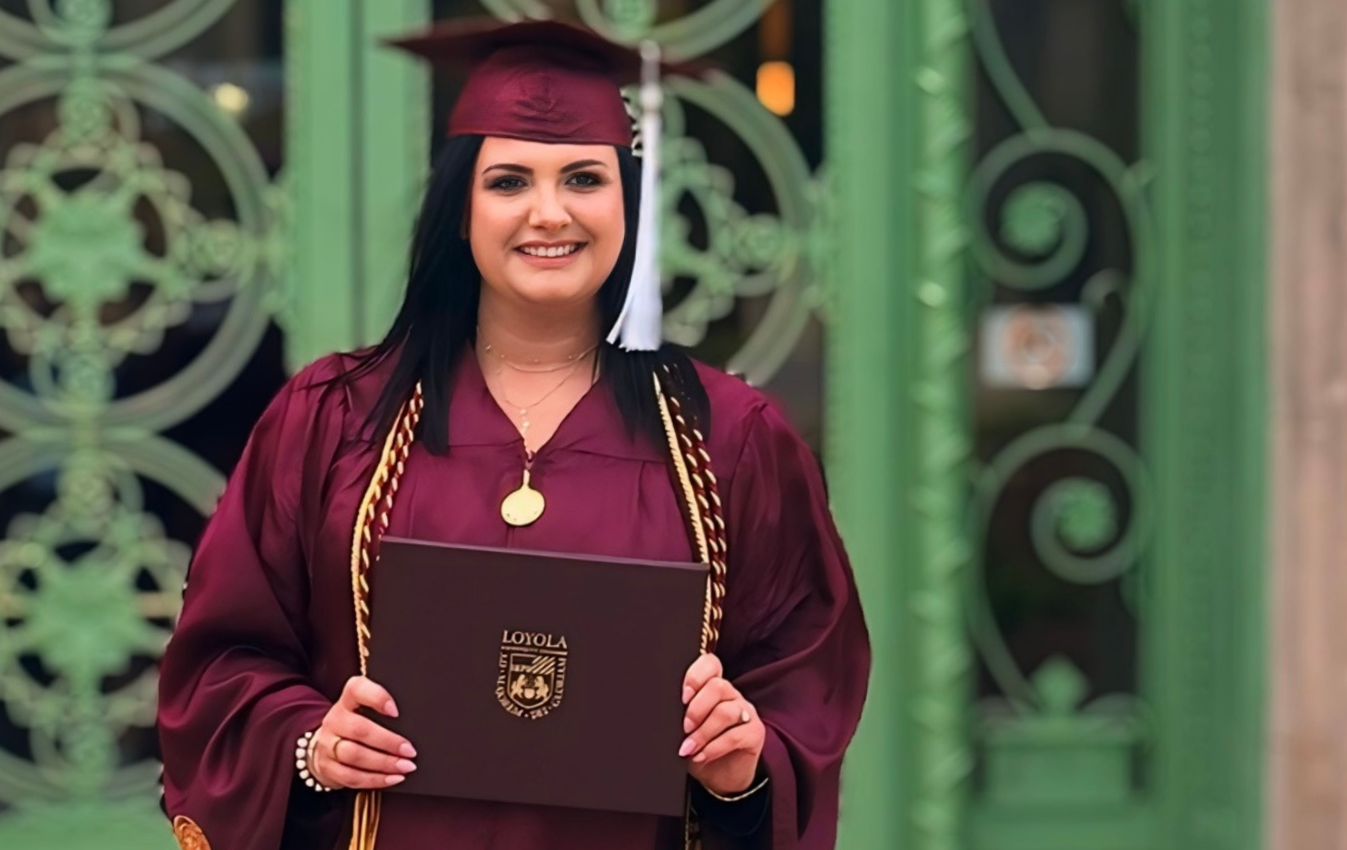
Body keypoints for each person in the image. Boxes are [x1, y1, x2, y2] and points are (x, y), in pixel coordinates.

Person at [156, 19, 868, 850]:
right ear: (460, 208)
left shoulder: (729, 442)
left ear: (628, 203)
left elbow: (803, 690)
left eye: (583, 177)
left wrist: (744, 765)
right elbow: (220, 660)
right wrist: (311, 746)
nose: (549, 212)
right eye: (508, 181)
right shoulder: (335, 418)